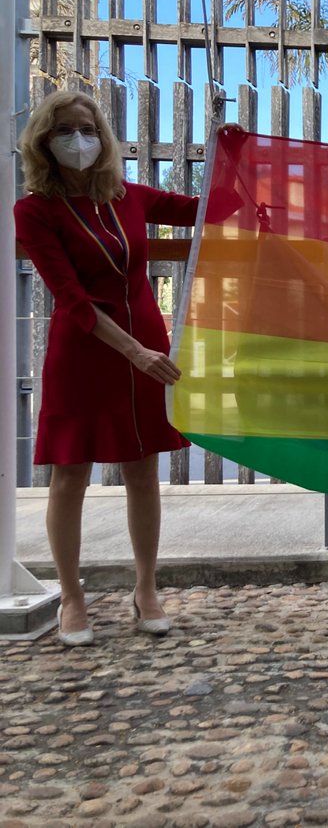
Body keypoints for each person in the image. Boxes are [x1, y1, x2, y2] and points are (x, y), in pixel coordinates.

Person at [15, 91, 242, 645]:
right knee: (70, 475)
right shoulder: (34, 210)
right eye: (66, 129)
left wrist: (233, 156)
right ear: (44, 141)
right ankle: (71, 596)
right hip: (87, 351)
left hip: (147, 345)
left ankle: (146, 589)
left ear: (105, 139)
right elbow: (69, 298)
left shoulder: (127, 196)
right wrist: (135, 352)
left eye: (88, 128)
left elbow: (214, 209)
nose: (79, 139)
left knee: (142, 469)